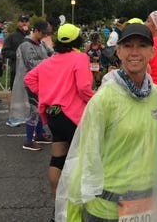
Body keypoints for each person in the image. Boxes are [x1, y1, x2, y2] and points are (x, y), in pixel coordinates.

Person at [55, 23, 157, 222]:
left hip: (146, 205)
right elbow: (85, 157)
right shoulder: (104, 99)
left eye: (142, 46)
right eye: (128, 46)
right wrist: (74, 210)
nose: (134, 52)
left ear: (152, 52)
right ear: (118, 51)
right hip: (106, 209)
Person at [24, 24, 94, 198]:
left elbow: (29, 78)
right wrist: (96, 100)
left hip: (53, 115)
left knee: (58, 158)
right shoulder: (80, 58)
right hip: (72, 116)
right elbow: (83, 88)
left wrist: (46, 93)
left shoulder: (51, 60)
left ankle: (58, 200)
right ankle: (78, 201)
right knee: (82, 158)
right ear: (77, 39)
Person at [7, 21, 52, 150]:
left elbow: (51, 53)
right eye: (43, 33)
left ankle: (39, 134)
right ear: (36, 30)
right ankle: (28, 140)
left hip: (41, 81)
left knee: (40, 108)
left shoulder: (41, 43)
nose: (45, 36)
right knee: (33, 110)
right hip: (30, 82)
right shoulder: (26, 45)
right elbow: (31, 63)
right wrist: (50, 61)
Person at [2, 15, 30, 92]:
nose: (24, 23)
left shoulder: (32, 36)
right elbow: (5, 51)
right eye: (22, 21)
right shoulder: (12, 36)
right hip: (16, 69)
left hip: (30, 70)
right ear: (18, 23)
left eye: (26, 21)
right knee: (14, 91)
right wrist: (18, 55)